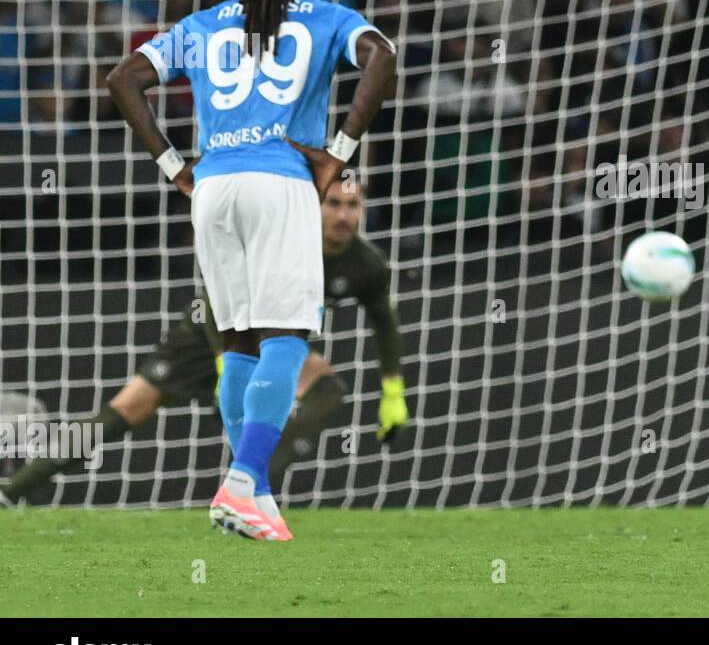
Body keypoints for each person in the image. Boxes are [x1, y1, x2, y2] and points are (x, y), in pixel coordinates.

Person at [106, 0, 397, 540]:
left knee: (235, 342)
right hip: (281, 182)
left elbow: (123, 78)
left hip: (211, 189)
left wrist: (172, 167)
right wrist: (338, 153)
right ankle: (243, 483)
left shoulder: (200, 24)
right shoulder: (326, 17)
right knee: (286, 337)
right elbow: (383, 57)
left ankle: (252, 494)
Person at [0, 180, 407, 507]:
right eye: (333, 203)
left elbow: (384, 323)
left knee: (326, 389)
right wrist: (225, 361)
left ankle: (247, 496)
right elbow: (217, 294)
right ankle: (11, 491)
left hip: (269, 343)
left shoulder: (366, 264)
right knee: (122, 413)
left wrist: (393, 390)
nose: (342, 215)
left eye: (352, 206)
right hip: (205, 334)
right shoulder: (282, 244)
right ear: (313, 206)